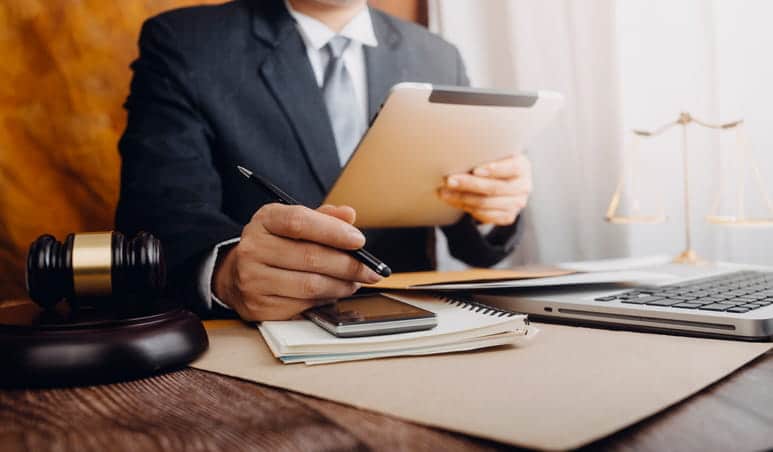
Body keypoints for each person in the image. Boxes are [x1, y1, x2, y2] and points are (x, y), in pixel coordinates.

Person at [116, 0, 532, 321]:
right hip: (255, 340)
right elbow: (157, 214)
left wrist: (492, 207)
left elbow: (470, 241)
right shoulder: (185, 41)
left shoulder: (438, 55)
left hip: (419, 325)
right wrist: (227, 272)